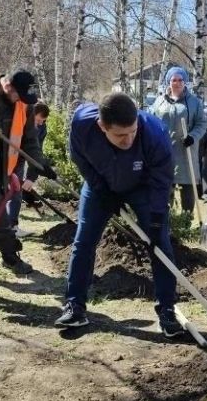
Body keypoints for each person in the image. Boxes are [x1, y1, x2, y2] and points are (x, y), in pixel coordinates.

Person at [55, 92, 184, 337]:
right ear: (102, 126)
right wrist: (100, 187)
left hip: (142, 187)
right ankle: (75, 307)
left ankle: (167, 309)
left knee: (160, 243)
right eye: (121, 135)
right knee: (84, 241)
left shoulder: (154, 133)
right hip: (100, 186)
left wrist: (156, 217)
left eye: (132, 132)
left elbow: (162, 179)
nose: (129, 140)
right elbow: (78, 156)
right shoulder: (83, 123)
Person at [0, 70, 53, 274]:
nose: (23, 101)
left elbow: (30, 140)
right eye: (19, 94)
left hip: (1, 160)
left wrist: (40, 165)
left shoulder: (24, 105)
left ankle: (9, 256)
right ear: (8, 86)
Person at [150, 66, 207, 214]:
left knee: (188, 191)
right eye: (174, 80)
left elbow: (202, 123)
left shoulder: (194, 102)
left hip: (186, 151)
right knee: (165, 191)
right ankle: (166, 224)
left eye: (180, 80)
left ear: (185, 82)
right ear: (169, 82)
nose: (177, 83)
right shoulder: (159, 101)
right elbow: (151, 121)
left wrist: (193, 136)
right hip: (164, 153)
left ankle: (186, 223)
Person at [7, 101, 51, 236]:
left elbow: (36, 152)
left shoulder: (41, 129)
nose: (41, 124)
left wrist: (31, 177)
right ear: (30, 115)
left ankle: (12, 227)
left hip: (18, 161)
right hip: (3, 159)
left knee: (16, 192)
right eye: (38, 120)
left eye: (43, 121)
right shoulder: (15, 120)